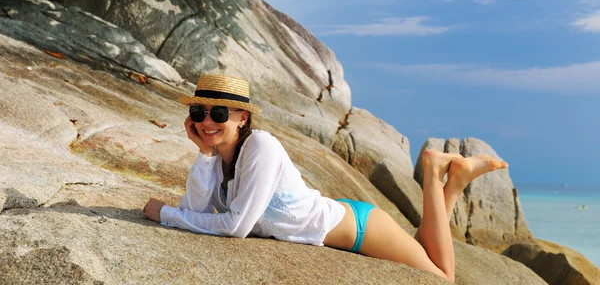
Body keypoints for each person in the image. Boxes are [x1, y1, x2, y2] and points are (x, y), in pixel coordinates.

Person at [143, 74, 508, 283]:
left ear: (242, 117)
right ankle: (457, 182)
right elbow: (195, 208)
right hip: (339, 221)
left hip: (360, 229)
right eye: (198, 111)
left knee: (442, 277)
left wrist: (166, 215)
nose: (207, 121)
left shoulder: (261, 148)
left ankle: (433, 172)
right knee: (425, 249)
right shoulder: (219, 159)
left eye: (219, 112)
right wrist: (204, 154)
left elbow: (235, 226)